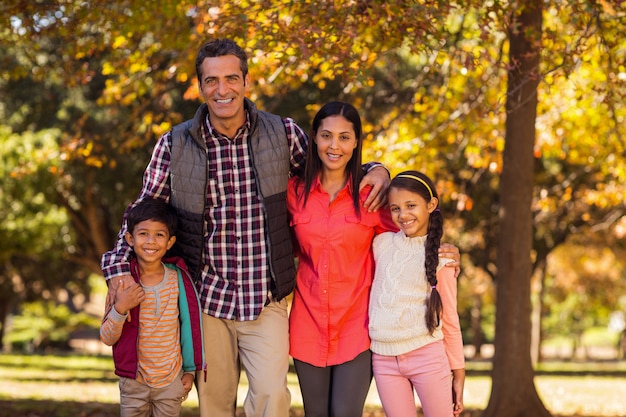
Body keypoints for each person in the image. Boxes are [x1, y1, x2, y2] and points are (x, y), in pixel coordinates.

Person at [100, 38, 391, 417]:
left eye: (231, 78)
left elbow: (329, 174)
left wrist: (376, 170)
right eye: (212, 81)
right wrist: (118, 269)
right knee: (215, 405)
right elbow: (141, 212)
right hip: (207, 300)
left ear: (246, 81)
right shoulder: (173, 144)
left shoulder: (283, 133)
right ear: (201, 86)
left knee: (272, 398)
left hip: (265, 298)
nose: (223, 90)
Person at [287, 101, 398, 417]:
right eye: (326, 136)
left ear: (356, 142)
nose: (334, 145)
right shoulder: (293, 192)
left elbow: (414, 227)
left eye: (344, 137)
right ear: (315, 139)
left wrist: (443, 251)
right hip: (307, 324)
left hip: (357, 326)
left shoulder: (372, 196)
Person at [368, 170, 465, 417]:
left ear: (431, 204)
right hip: (384, 359)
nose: (403, 214)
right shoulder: (381, 244)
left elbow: (450, 319)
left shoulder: (442, 259)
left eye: (411, 205)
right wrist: (377, 170)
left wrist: (459, 372)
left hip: (428, 357)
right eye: (395, 208)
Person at [100, 198, 204, 417]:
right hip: (133, 382)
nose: (151, 241)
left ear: (170, 242)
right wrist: (120, 308)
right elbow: (107, 337)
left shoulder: (178, 279)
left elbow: (188, 326)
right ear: (129, 238)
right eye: (143, 233)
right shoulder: (123, 282)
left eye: (159, 234)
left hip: (170, 382)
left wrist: (190, 371)